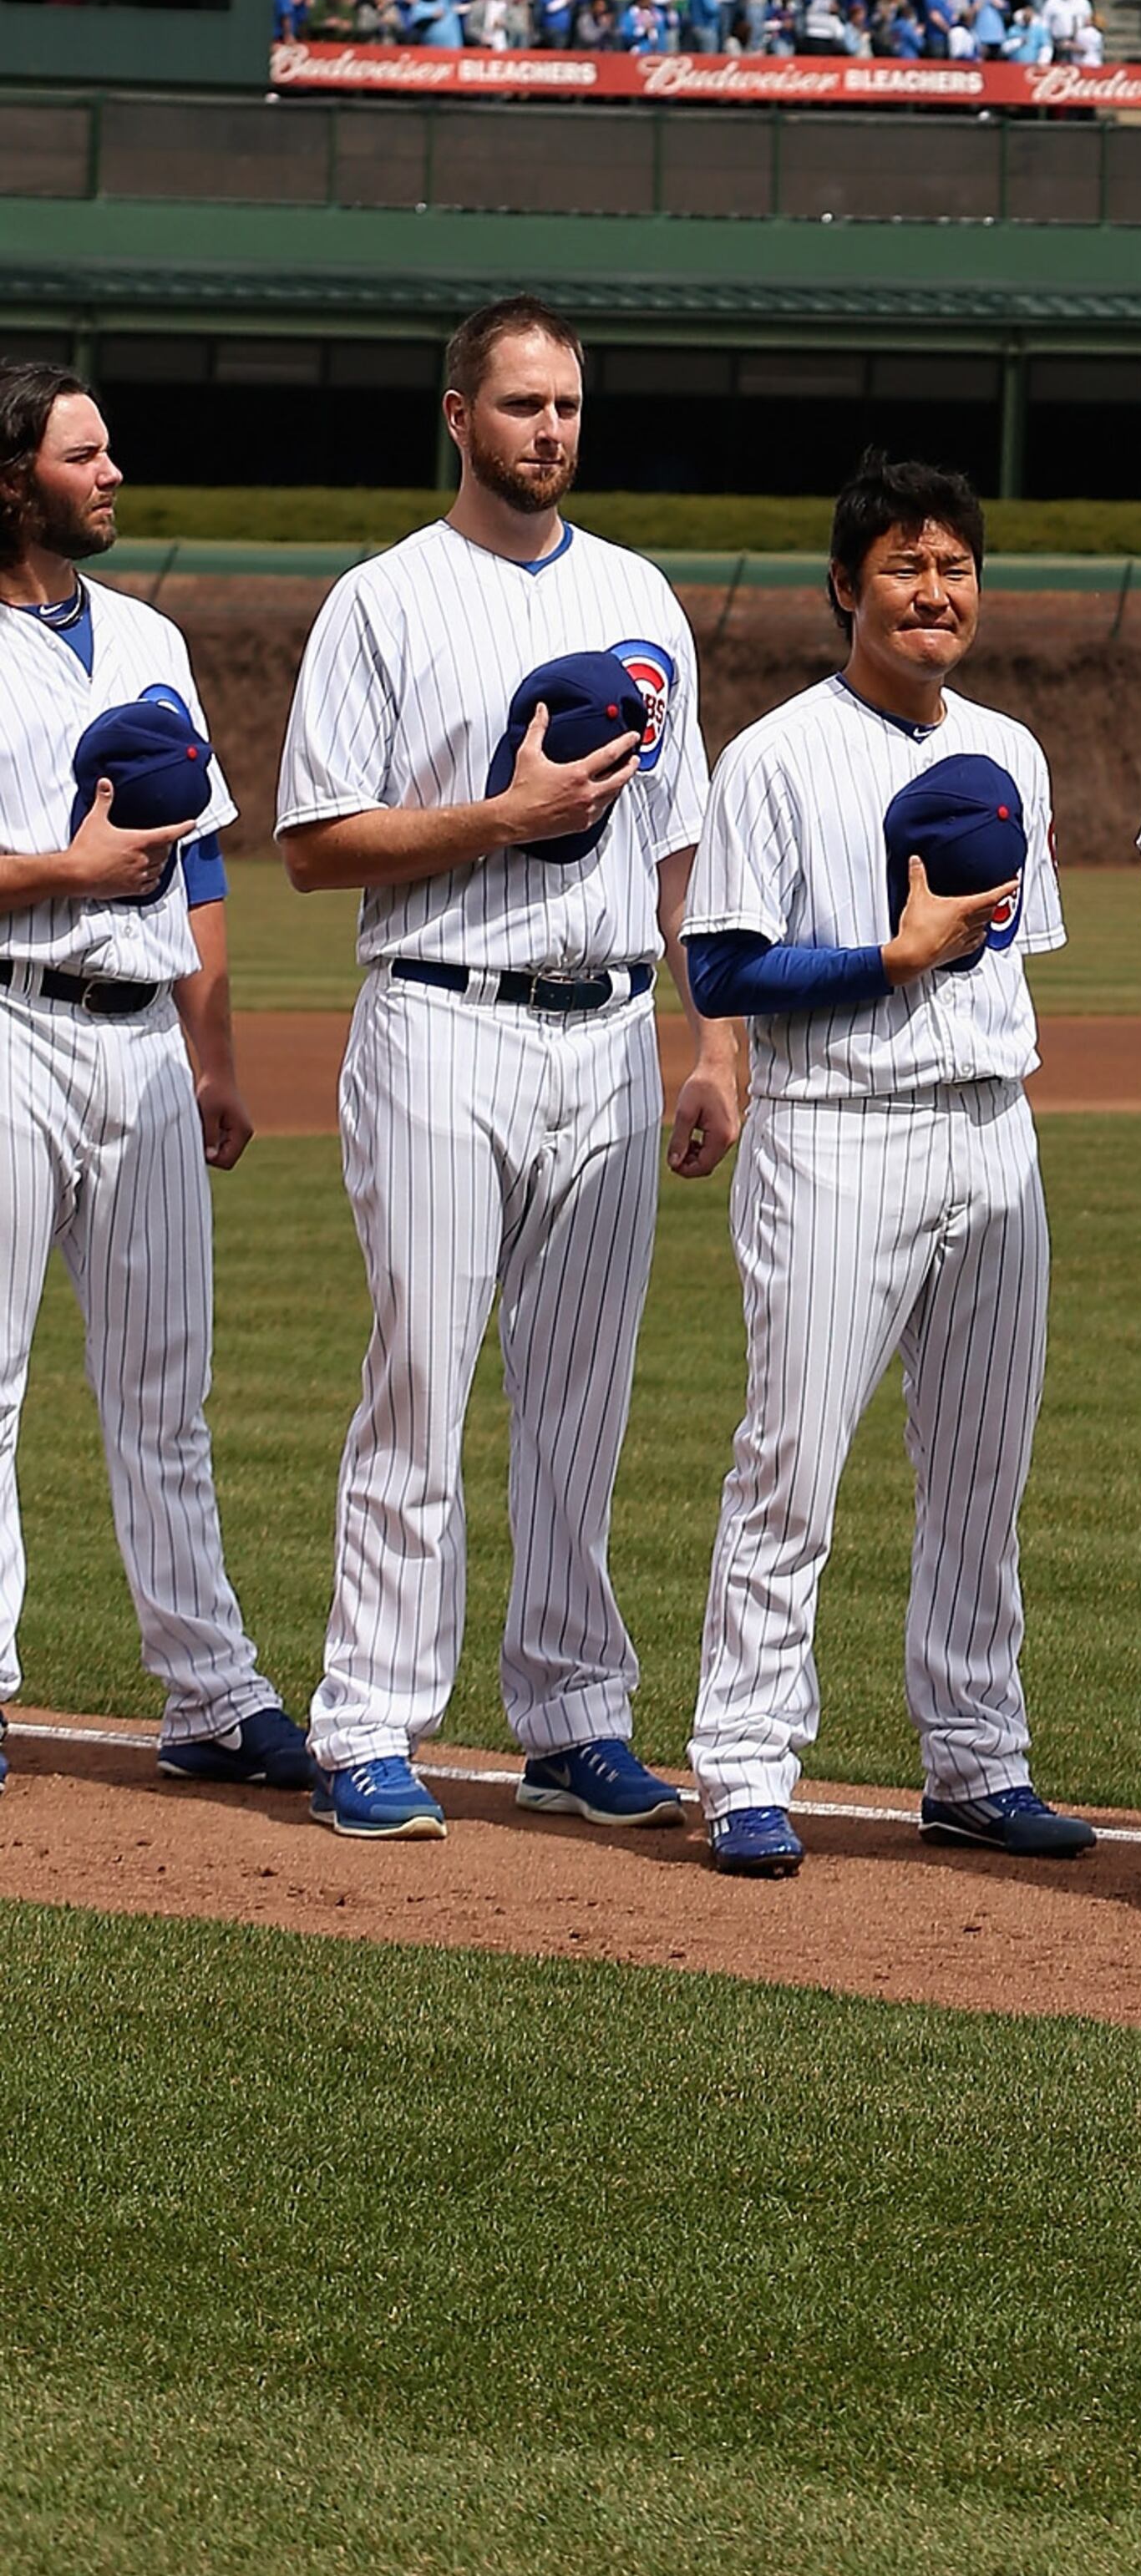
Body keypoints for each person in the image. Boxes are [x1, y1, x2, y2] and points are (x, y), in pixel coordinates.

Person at [276, 297, 734, 1838]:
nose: (549, 431)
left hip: (607, 1029)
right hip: (439, 1018)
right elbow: (315, 844)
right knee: (426, 1372)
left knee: (582, 1390)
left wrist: (711, 1040)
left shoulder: (641, 596)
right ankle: (367, 1721)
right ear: (459, 414)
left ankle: (571, 1712)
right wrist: (500, 821)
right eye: (522, 404)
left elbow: (685, 850)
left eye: (570, 407)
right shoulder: (385, 601)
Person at [681, 454, 1089, 1882]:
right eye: (906, 567)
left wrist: (936, 977)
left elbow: (1012, 964)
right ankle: (742, 1766)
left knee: (983, 1472)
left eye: (957, 566)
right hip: (839, 1132)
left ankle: (977, 1761)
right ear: (846, 587)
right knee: (792, 1465)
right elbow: (724, 964)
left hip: (992, 1131)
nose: (935, 591)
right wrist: (887, 958)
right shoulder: (777, 756)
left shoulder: (1014, 752)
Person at [0, 366, 312, 1794]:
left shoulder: (149, 637)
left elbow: (194, 854)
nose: (115, 469)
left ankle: (211, 1693)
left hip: (141, 1046)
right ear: (14, 481)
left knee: (164, 1385)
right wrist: (66, 870)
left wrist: (217, 1053)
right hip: (9, 1024)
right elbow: (98, 859)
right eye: (86, 451)